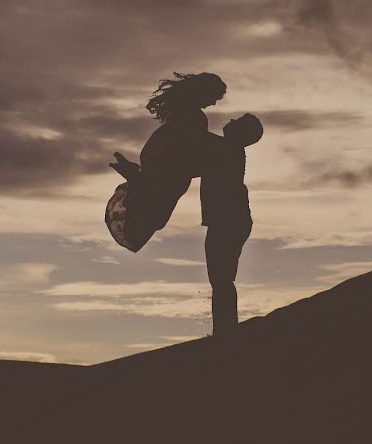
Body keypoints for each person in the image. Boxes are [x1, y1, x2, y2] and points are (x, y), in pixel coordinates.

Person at [106, 72, 226, 251]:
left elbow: (196, 143)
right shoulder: (191, 115)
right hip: (167, 166)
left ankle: (135, 182)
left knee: (155, 212)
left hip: (163, 165)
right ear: (202, 92)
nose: (214, 103)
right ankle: (135, 182)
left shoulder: (181, 111)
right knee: (155, 213)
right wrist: (227, 146)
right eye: (213, 97)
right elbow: (197, 141)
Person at [199, 113, 263, 337]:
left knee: (221, 278)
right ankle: (225, 330)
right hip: (230, 220)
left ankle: (225, 332)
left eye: (238, 122)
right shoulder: (225, 149)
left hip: (229, 220)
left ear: (241, 133)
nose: (231, 121)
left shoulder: (226, 148)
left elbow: (195, 138)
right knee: (221, 278)